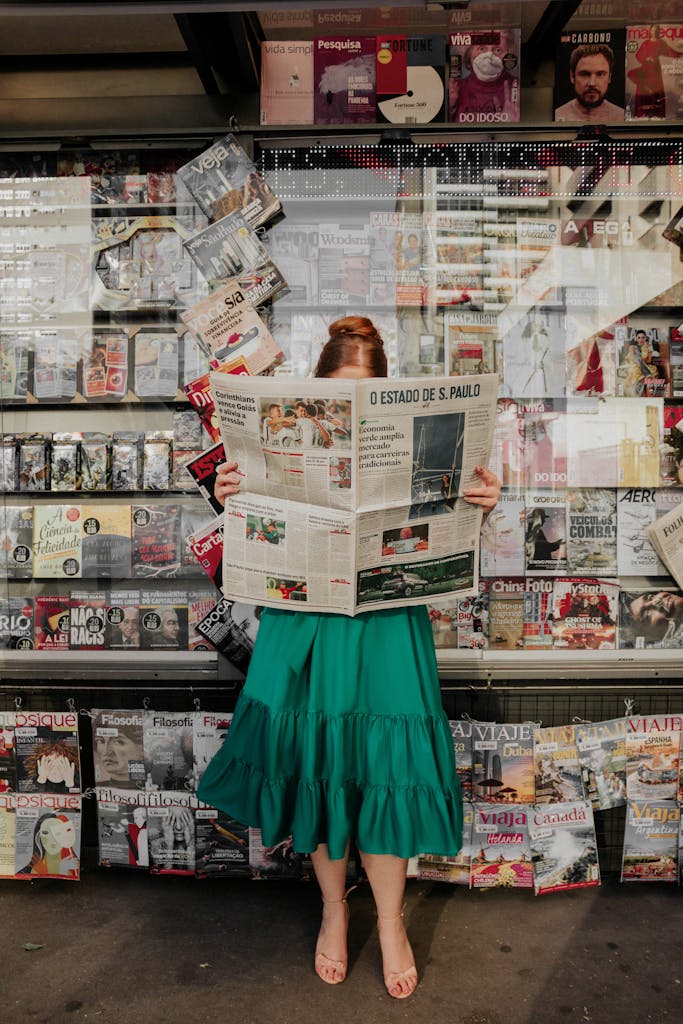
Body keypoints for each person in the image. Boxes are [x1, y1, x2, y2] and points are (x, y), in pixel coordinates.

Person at [197, 316, 501, 999]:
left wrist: (479, 504)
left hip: (387, 624)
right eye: (340, 391)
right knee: (323, 766)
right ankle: (335, 910)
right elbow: (253, 529)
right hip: (305, 622)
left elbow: (442, 538)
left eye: (364, 391)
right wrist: (230, 497)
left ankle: (389, 922)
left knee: (385, 769)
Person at [555, 43, 625, 123]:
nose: (592, 83)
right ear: (572, 76)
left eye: (600, 74)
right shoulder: (556, 117)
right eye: (585, 74)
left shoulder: (622, 118)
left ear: (609, 77)